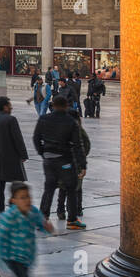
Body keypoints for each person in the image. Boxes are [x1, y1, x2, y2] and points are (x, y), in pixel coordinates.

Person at [33, 96, 86, 230]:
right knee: (71, 188)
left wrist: (43, 153)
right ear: (65, 106)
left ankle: (42, 218)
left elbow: (36, 138)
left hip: (48, 159)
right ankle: (72, 220)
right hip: (65, 160)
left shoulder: (44, 119)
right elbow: (78, 145)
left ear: (53, 105)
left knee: (49, 188)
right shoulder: (70, 122)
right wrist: (82, 164)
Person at [0, 96, 28, 213]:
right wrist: (23, 155)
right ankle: (17, 206)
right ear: (5, 107)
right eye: (10, 105)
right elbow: (18, 139)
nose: (11, 107)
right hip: (11, 156)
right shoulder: (11, 119)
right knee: (18, 182)